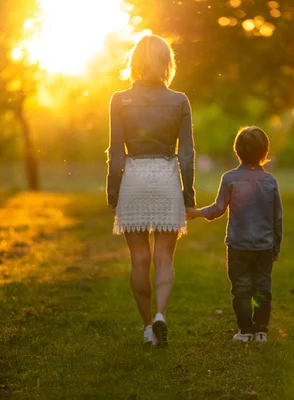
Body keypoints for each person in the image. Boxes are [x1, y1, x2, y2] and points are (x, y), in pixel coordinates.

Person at [106, 34, 196, 346]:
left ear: (135, 63)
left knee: (139, 258)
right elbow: (186, 154)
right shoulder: (180, 100)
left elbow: (116, 152)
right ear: (166, 62)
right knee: (165, 257)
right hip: (167, 177)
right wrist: (189, 194)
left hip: (134, 178)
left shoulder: (119, 100)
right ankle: (160, 315)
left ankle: (147, 328)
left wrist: (112, 192)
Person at [187, 126, 282, 343]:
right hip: (264, 247)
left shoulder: (230, 179)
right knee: (262, 288)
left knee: (241, 288)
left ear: (237, 150)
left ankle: (245, 330)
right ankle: (260, 331)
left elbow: (217, 209)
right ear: (265, 151)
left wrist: (195, 213)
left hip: (238, 246)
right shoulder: (270, 182)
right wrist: (276, 245)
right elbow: (278, 218)